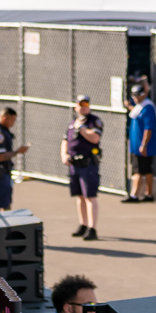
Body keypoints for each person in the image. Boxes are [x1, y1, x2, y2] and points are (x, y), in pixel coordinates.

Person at [64, 93, 105, 242]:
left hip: (88, 164)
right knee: (79, 196)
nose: (83, 107)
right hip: (74, 165)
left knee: (90, 196)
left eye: (86, 105)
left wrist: (81, 128)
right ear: (76, 106)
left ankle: (92, 228)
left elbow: (95, 138)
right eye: (81, 105)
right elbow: (64, 139)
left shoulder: (94, 121)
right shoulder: (72, 122)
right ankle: (83, 224)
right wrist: (64, 154)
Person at [0, 106, 29, 211]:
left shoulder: (2, 130)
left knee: (6, 203)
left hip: (4, 172)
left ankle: (7, 226)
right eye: (12, 121)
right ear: (5, 118)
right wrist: (18, 152)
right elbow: (0, 157)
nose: (13, 124)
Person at [124, 83, 156, 204]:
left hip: (143, 147)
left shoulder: (148, 107)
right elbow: (135, 112)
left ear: (144, 94)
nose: (135, 98)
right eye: (133, 96)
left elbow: (148, 128)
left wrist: (144, 144)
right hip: (137, 146)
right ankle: (148, 194)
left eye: (137, 96)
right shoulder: (139, 106)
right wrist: (129, 105)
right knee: (146, 170)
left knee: (138, 170)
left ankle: (134, 195)